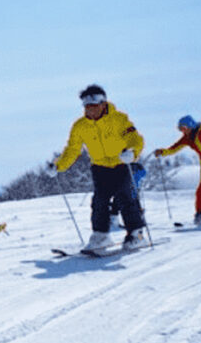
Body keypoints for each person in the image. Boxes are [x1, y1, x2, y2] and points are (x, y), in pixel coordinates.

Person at [55, 84, 148, 251]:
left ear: (103, 103)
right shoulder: (80, 126)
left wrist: (132, 153)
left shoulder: (119, 119)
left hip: (121, 164)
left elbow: (136, 139)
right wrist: (58, 166)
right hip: (99, 167)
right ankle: (101, 236)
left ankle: (137, 234)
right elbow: (72, 149)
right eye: (87, 106)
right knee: (99, 201)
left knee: (125, 198)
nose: (91, 110)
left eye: (94, 106)